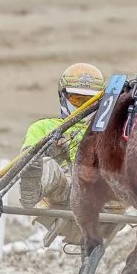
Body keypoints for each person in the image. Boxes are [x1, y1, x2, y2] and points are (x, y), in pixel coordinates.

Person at [17, 62, 105, 209]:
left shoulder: (107, 131)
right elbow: (24, 160)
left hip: (101, 195)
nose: (83, 106)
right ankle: (31, 189)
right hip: (61, 193)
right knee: (46, 165)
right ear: (63, 96)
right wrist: (51, 153)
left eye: (90, 101)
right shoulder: (43, 127)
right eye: (77, 99)